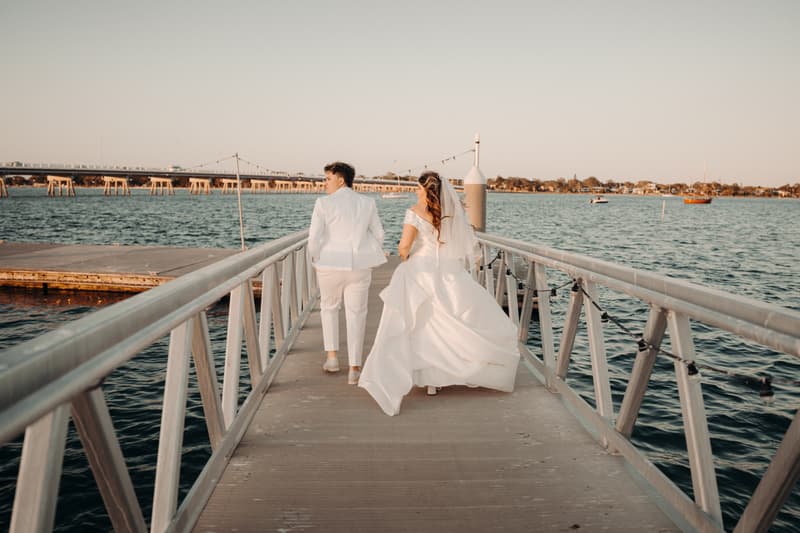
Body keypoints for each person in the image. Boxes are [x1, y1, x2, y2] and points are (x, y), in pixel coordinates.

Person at [358, 171, 520, 416]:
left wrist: (404, 255)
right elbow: (463, 242)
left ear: (426, 189)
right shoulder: (453, 213)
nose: (416, 191)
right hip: (450, 271)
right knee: (449, 318)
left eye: (419, 187)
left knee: (423, 323)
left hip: (421, 271)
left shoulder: (414, 212)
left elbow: (403, 247)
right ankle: (458, 370)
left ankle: (430, 380)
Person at [308, 161, 387, 384]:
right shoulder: (367, 202)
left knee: (329, 308)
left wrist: (315, 257)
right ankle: (354, 369)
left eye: (327, 178)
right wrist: (365, 250)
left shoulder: (323, 203)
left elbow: (314, 238)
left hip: (329, 263)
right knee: (357, 314)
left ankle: (332, 358)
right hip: (359, 266)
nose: (324, 184)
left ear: (340, 179)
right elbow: (379, 234)